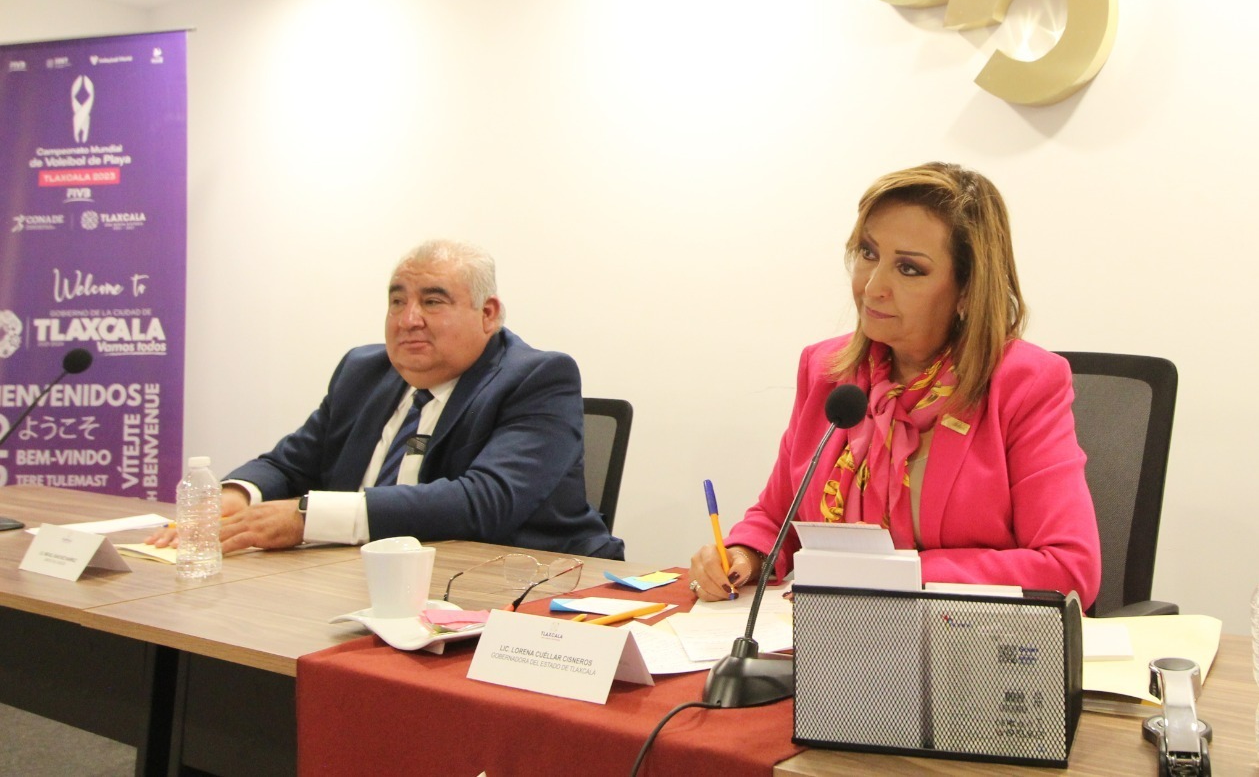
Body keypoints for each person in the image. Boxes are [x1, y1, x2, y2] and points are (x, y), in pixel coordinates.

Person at [689, 162, 1100, 608]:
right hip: (832, 632)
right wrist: (743, 554)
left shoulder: (1024, 383)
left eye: (908, 269)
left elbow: (1068, 567)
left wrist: (893, 575)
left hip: (960, 637)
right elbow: (777, 517)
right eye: (868, 253)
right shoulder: (827, 371)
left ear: (966, 289)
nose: (872, 287)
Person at [151, 239, 623, 558]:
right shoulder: (364, 371)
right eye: (397, 301)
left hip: (526, 592)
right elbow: (290, 465)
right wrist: (233, 497)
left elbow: (484, 501)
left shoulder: (538, 378)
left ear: (488, 314)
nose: (408, 319)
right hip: (371, 583)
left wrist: (310, 518)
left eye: (432, 301)